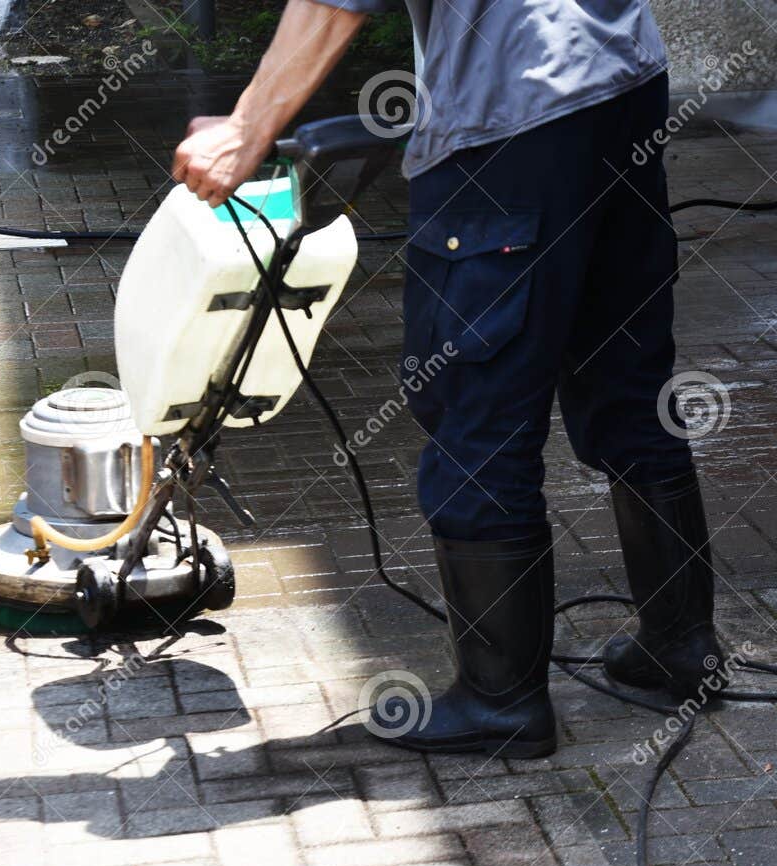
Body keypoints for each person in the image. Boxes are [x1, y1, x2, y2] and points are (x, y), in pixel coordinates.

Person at [172, 1, 725, 759]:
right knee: (628, 378)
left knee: (479, 403)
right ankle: (680, 644)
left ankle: (502, 702)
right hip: (622, 83)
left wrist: (246, 128)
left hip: (511, 120)